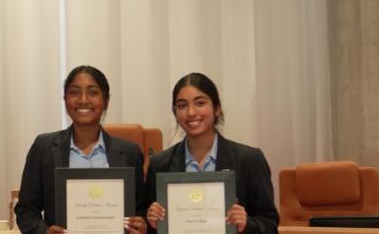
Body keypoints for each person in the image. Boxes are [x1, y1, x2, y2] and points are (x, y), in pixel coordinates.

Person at [15, 65, 149, 234]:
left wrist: (141, 224)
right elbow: (25, 210)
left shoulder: (130, 153)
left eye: (93, 92)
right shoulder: (44, 147)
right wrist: (45, 232)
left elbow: (141, 210)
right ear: (65, 100)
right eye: (74, 92)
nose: (83, 100)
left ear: (106, 100)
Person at [144, 72, 279, 234]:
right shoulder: (160, 164)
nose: (191, 112)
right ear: (175, 113)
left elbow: (270, 224)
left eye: (200, 103)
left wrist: (246, 224)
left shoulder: (249, 160)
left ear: (217, 108)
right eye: (182, 105)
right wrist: (152, 222)